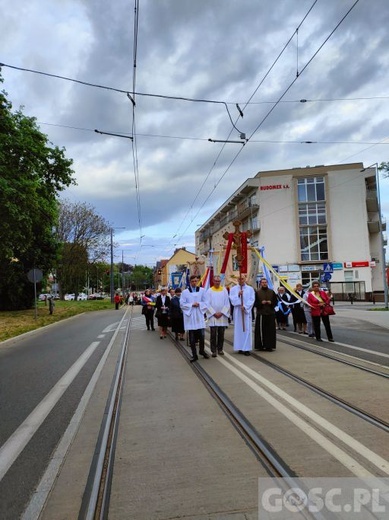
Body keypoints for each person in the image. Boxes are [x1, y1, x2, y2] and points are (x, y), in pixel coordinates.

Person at [180, 275, 210, 362]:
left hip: (199, 315)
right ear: (190, 282)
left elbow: (206, 302)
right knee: (192, 338)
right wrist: (191, 305)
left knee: (202, 336)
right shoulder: (185, 292)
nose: (194, 283)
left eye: (195, 281)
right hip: (190, 316)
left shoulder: (202, 291)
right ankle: (194, 354)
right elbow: (182, 304)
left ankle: (201, 351)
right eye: (192, 281)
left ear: (197, 281)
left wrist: (199, 304)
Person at [229, 274, 255, 356]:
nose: (241, 280)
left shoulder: (250, 289)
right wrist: (238, 295)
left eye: (242, 279)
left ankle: (246, 348)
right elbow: (232, 299)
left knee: (246, 329)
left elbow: (252, 299)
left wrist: (246, 307)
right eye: (239, 279)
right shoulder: (233, 289)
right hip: (238, 311)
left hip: (246, 312)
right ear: (237, 280)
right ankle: (240, 347)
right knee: (239, 330)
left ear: (245, 279)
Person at [204, 275, 230, 357]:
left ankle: (220, 349)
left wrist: (222, 312)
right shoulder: (209, 291)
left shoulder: (224, 290)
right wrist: (213, 313)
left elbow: (227, 303)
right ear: (213, 281)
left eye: (219, 281)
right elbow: (207, 304)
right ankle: (213, 350)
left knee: (221, 334)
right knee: (213, 334)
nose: (217, 282)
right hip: (213, 316)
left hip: (222, 316)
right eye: (216, 281)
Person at [254, 278, 278, 351]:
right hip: (261, 313)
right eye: (263, 282)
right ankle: (260, 345)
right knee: (261, 330)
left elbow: (276, 302)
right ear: (260, 283)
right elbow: (254, 303)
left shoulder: (272, 292)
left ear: (267, 283)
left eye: (265, 282)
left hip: (270, 313)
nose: (264, 283)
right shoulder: (257, 292)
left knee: (270, 330)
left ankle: (269, 345)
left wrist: (271, 303)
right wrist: (261, 303)